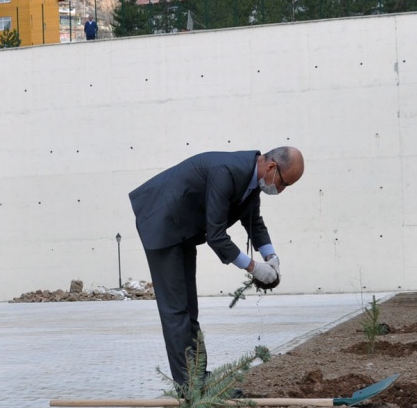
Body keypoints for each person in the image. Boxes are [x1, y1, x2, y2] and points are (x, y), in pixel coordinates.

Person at [128, 147, 304, 388]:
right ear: (272, 167)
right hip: (161, 223)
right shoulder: (227, 172)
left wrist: (271, 256)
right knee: (176, 311)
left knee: (189, 310)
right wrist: (254, 267)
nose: (281, 190)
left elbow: (254, 222)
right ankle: (190, 387)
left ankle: (198, 379)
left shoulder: (252, 181)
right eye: (284, 183)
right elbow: (216, 236)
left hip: (183, 230)